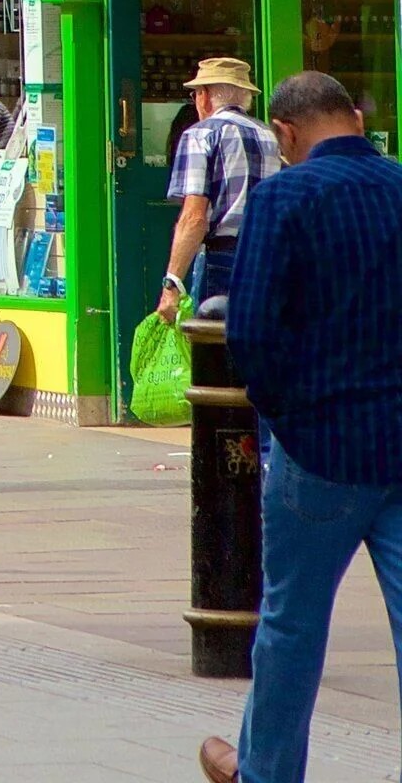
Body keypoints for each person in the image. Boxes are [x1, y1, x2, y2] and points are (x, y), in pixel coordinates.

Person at [200, 70, 402, 783]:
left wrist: (284, 416)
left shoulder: (284, 197)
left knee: (292, 625)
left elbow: (250, 330)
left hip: (321, 447)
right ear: (355, 119)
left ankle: (268, 772)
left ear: (285, 133)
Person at [160, 56, 273, 320]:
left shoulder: (201, 134)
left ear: (204, 95)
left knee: (215, 343)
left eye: (196, 94)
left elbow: (194, 218)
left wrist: (172, 284)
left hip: (223, 259)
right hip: (268, 257)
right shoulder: (270, 136)